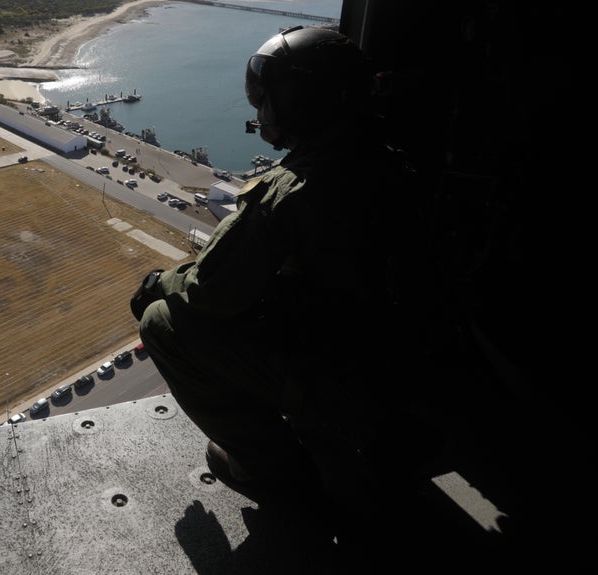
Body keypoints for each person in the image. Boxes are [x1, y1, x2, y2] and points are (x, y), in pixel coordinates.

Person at [130, 26, 440, 524]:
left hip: (338, 377)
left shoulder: (294, 189)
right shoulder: (396, 165)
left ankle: (273, 471)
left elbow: (211, 291)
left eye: (267, 99)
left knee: (163, 323)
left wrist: (156, 285)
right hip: (407, 371)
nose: (260, 112)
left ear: (299, 103)